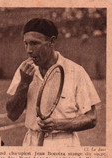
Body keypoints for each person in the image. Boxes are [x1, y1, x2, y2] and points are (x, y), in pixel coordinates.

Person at [6, 18, 101, 147]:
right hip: (31, 141)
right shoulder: (24, 70)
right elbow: (12, 115)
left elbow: (91, 118)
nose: (29, 50)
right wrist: (24, 83)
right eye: (26, 44)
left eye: (34, 43)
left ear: (51, 41)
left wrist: (58, 124)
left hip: (64, 143)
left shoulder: (76, 71)